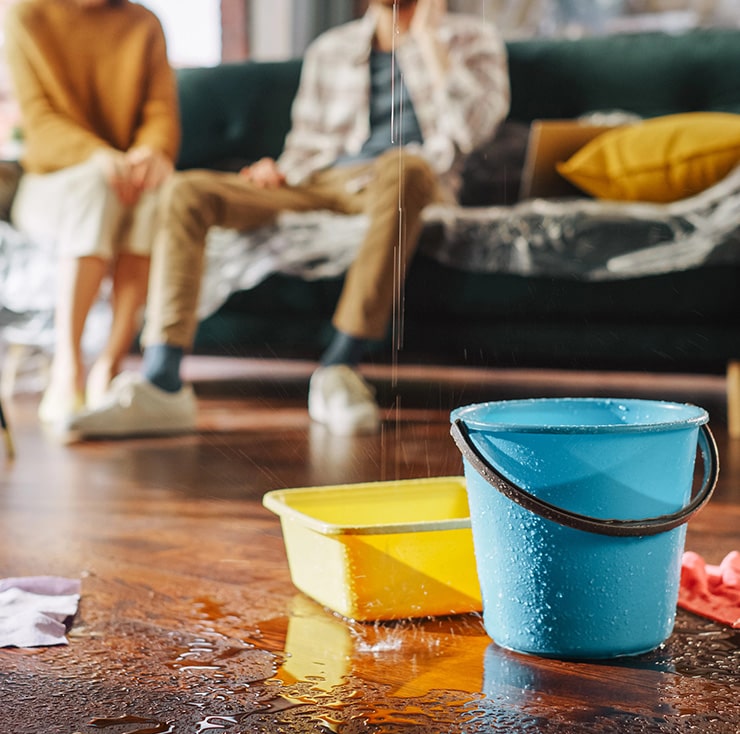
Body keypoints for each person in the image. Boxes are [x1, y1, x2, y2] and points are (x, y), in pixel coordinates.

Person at [67, 0, 510, 439]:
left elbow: (469, 132)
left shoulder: (471, 40)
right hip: (320, 180)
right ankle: (162, 382)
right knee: (187, 191)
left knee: (404, 167)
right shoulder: (331, 49)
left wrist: (429, 41)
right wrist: (278, 169)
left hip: (404, 179)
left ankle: (339, 367)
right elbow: (306, 143)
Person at [4, 0, 180, 426]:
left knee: (162, 193)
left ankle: (110, 364)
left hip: (126, 182)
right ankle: (69, 367)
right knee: (96, 185)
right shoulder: (27, 15)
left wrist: (150, 152)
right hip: (51, 184)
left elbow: (161, 111)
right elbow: (39, 121)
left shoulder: (144, 23)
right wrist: (98, 155)